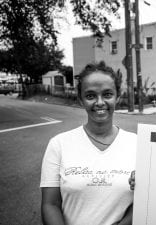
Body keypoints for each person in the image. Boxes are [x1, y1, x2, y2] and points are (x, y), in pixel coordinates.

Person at [40, 61, 136, 225]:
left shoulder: (138, 145)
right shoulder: (59, 144)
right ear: (80, 100)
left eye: (107, 94)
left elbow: (148, 201)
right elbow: (50, 204)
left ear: (118, 97)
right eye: (91, 96)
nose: (99, 102)